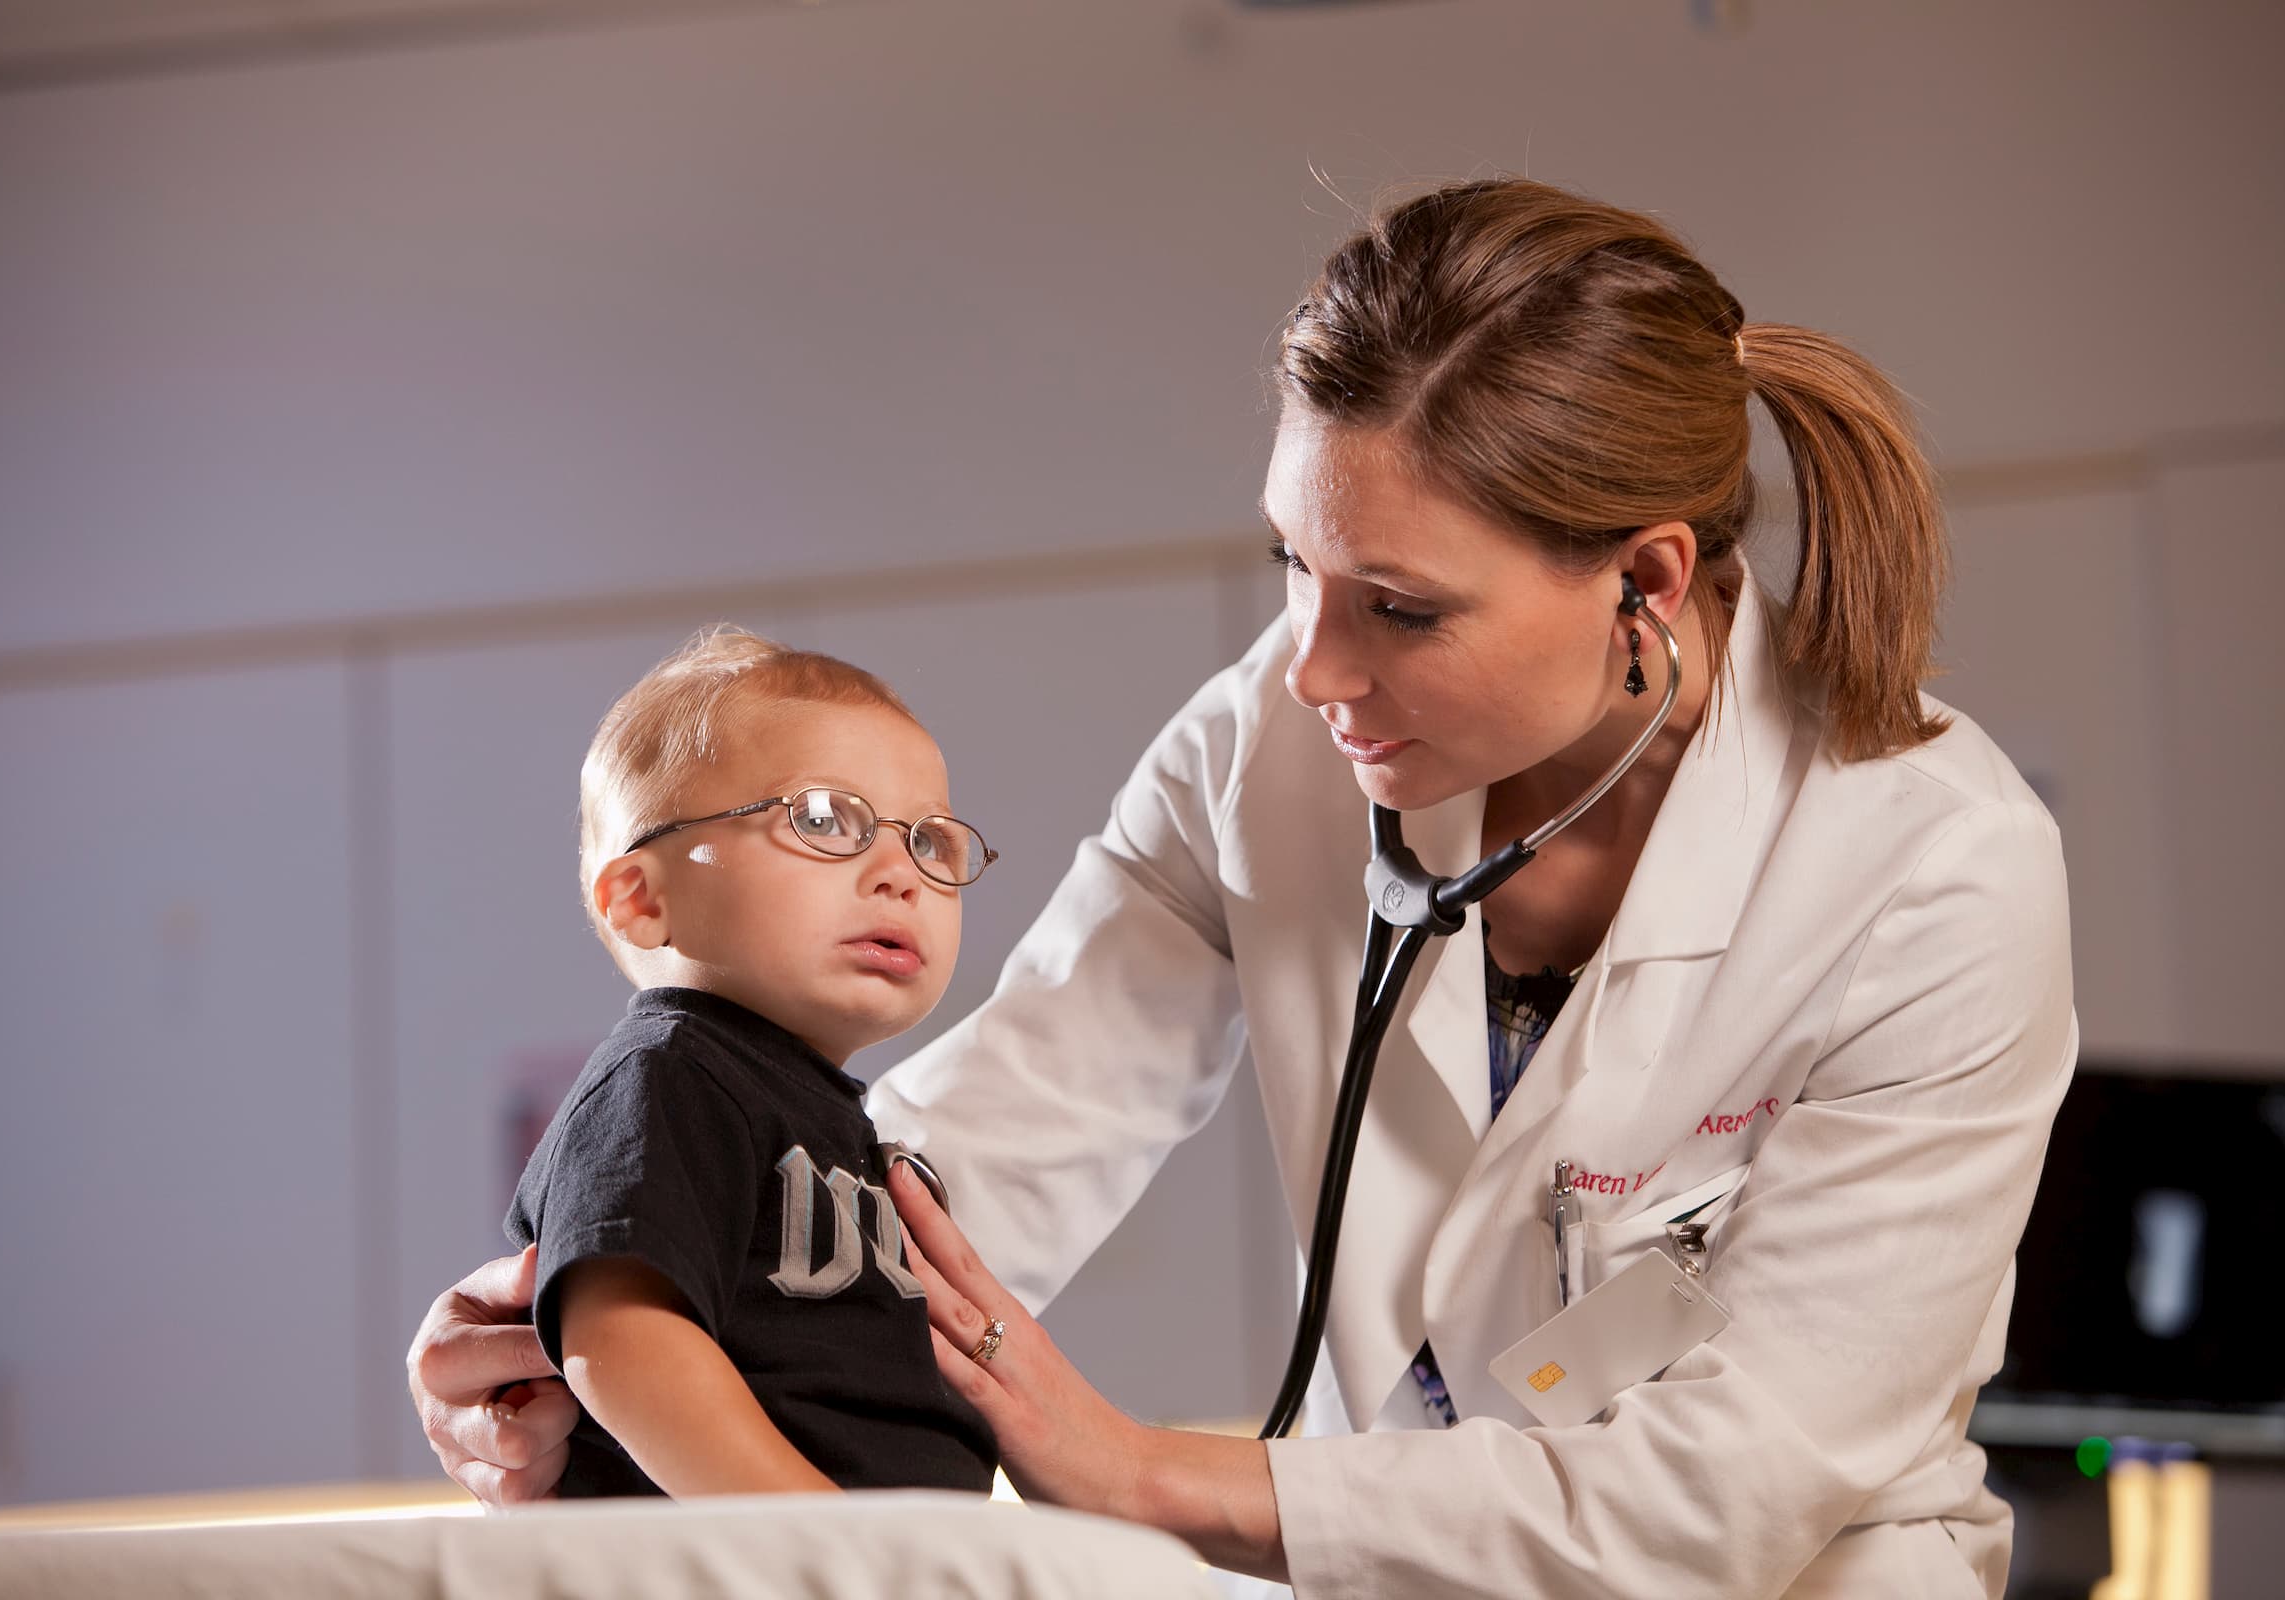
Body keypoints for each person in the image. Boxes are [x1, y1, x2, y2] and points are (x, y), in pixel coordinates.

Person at [408, 177, 2075, 1598]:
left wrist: (1154, 1479)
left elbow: (1736, 1484)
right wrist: (612, 1296)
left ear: (1643, 582)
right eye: (1295, 565)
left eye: (1400, 609)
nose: (1309, 673)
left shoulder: (1929, 870)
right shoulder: (1267, 755)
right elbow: (967, 1170)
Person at [496, 627, 1000, 1498]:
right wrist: (821, 1546)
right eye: (822, 819)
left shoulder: (825, 1119)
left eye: (930, 840)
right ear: (643, 899)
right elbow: (618, 1339)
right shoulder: (669, 1079)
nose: (901, 874)